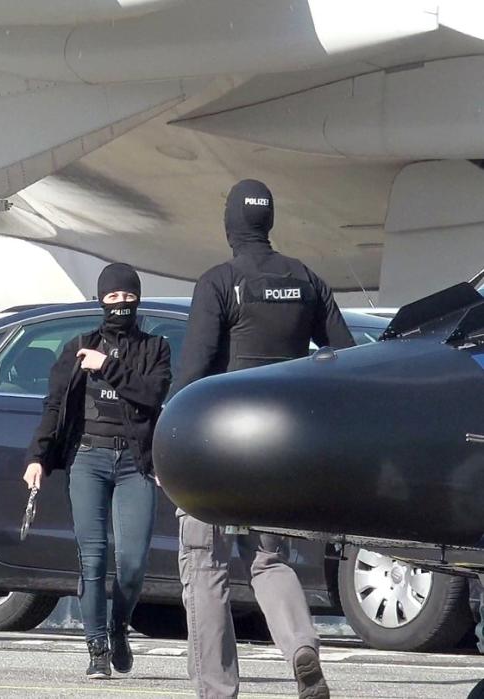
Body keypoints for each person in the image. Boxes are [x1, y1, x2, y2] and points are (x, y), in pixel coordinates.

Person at [172, 179, 353, 699]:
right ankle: (301, 646)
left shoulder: (219, 281)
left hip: (218, 447)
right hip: (283, 450)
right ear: (268, 221)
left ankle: (217, 689)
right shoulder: (307, 281)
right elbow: (344, 354)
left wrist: (169, 443)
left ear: (231, 224)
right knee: (268, 560)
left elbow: (196, 368)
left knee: (205, 565)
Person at [22, 263, 171, 679]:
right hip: (87, 459)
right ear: (100, 301)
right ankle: (97, 648)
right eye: (112, 297)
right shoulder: (76, 348)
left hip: (134, 463)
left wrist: (107, 366)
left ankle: (121, 625)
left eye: (127, 297)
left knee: (133, 561)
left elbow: (151, 395)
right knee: (93, 558)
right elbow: (53, 407)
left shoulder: (155, 348)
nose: (120, 304)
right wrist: (38, 457)